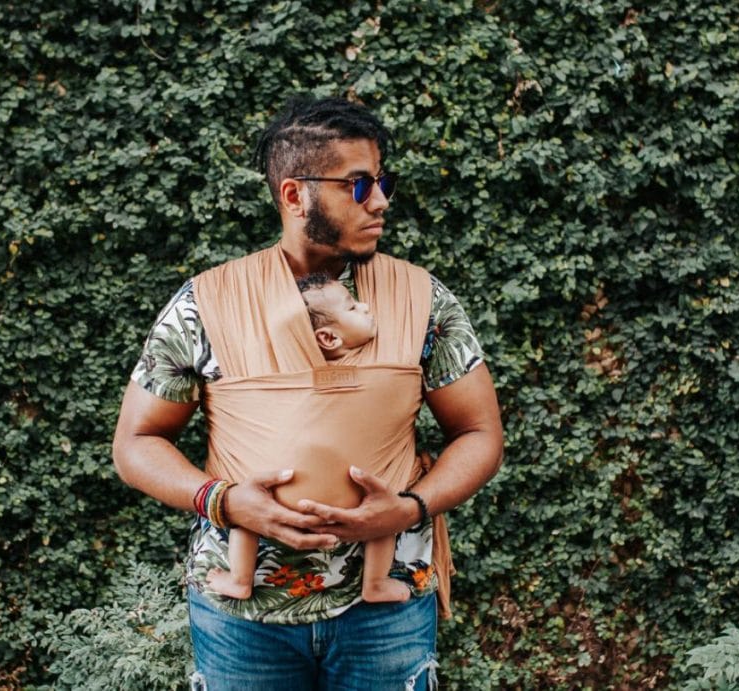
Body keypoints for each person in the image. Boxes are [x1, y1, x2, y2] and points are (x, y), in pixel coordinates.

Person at [112, 95, 503, 690]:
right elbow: (136, 443)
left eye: (382, 180)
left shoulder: (423, 299)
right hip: (242, 619)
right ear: (295, 195)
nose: (380, 201)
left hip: (386, 612)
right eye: (359, 184)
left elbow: (479, 433)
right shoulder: (206, 303)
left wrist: (410, 509)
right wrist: (222, 501)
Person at [205, 273, 412, 604]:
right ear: (328, 338)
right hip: (356, 496)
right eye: (352, 306)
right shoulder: (376, 363)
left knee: (246, 506)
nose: (366, 306)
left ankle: (240, 579)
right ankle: (376, 582)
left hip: (281, 496)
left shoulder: (275, 368)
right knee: (385, 514)